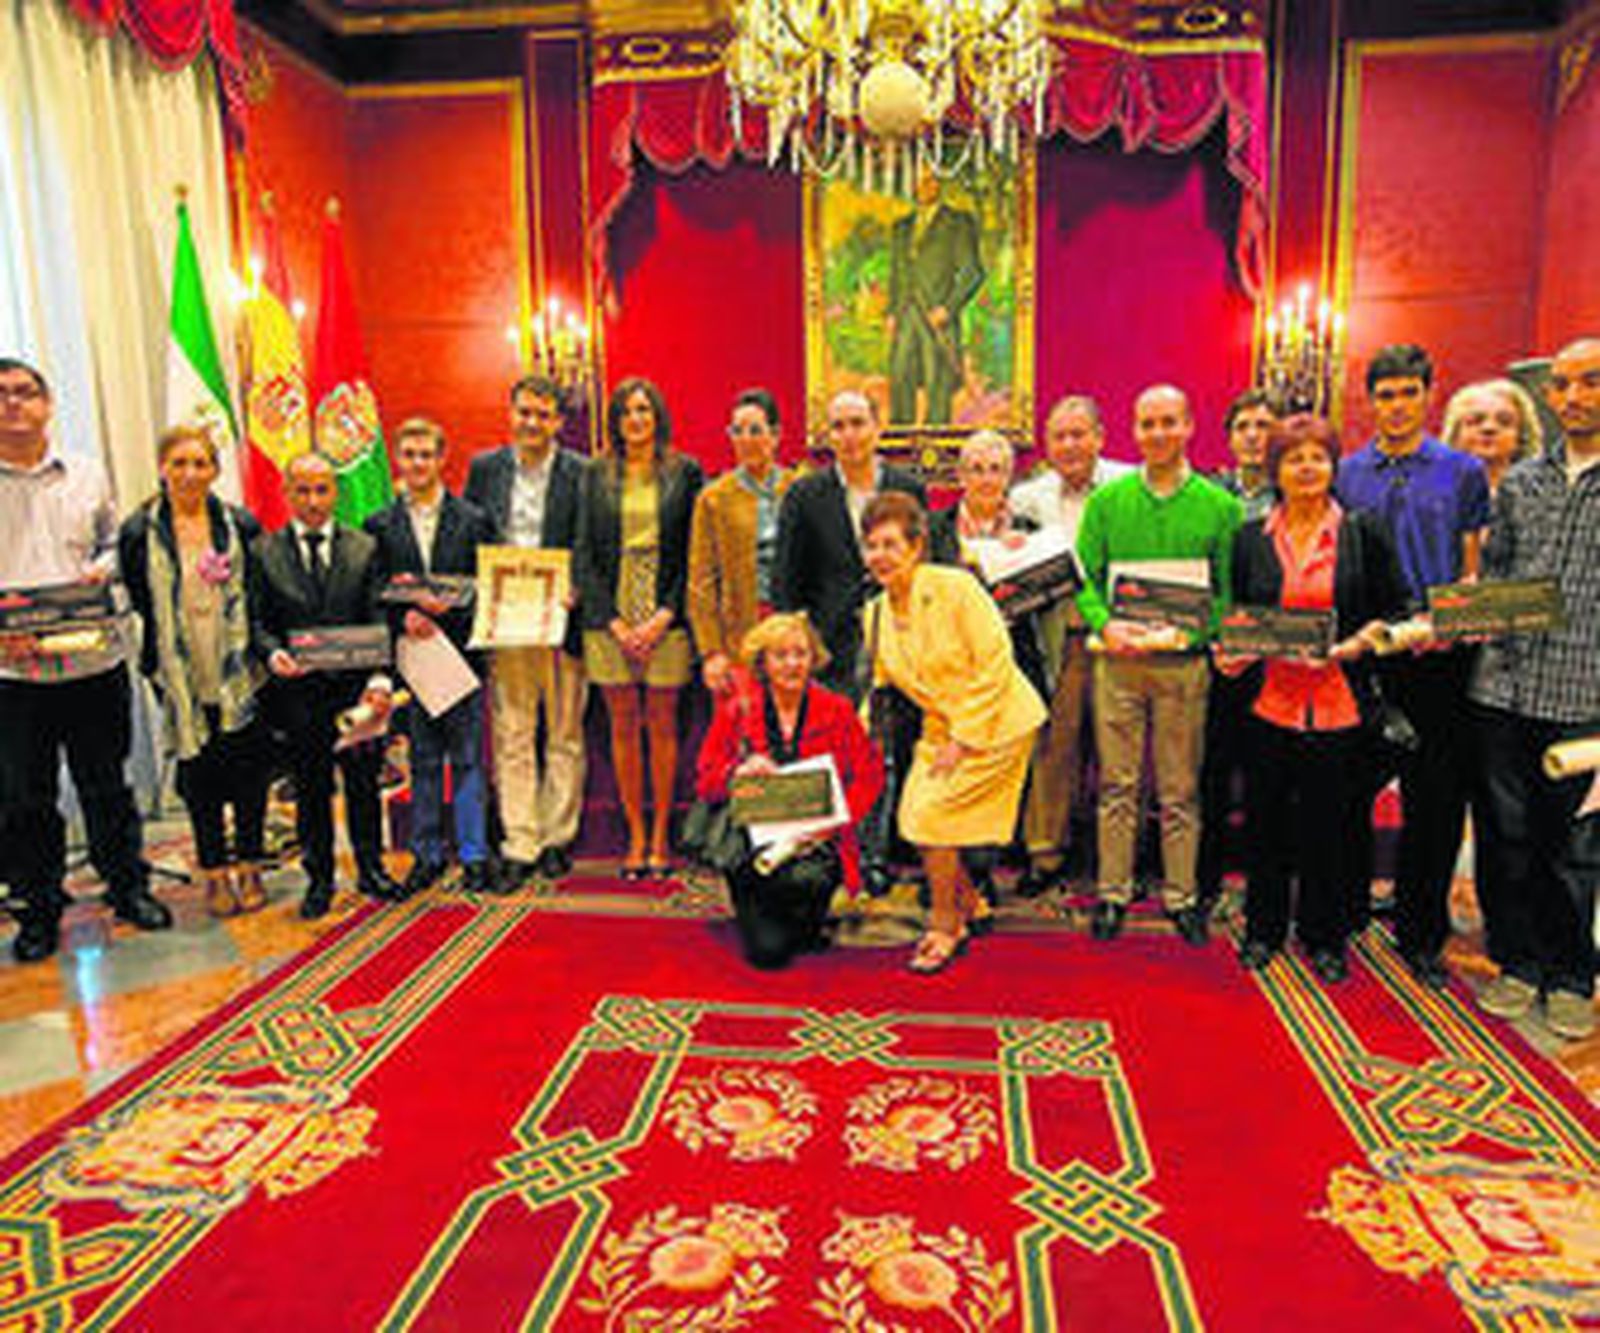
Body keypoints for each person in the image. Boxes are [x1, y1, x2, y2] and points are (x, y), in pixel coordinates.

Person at [1221, 416, 1407, 981]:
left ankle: (1325, 936)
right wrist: (1234, 648)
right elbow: (1238, 614)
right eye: (1293, 458)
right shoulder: (1248, 538)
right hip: (1269, 704)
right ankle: (1263, 929)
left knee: (1331, 827)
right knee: (1265, 824)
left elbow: (1395, 613)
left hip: (1338, 704)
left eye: (1317, 457)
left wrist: (1354, 646)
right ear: (1275, 469)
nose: (1306, 467)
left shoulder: (1362, 531)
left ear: (1333, 465)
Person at [0, 357, 172, 963]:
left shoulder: (87, 473)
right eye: (2, 396)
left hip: (93, 662)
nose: (13, 405)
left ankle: (127, 887)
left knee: (106, 784)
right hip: (14, 675)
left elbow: (113, 547)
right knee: (25, 798)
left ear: (47, 404)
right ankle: (39, 909)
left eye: (25, 393)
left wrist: (100, 571)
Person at [1334, 344, 1490, 988]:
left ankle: (1421, 932)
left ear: (1428, 395)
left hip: (1438, 656)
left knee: (1435, 800)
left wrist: (1444, 626)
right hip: (1364, 656)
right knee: (1344, 790)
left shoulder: (1462, 472)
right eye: (1385, 394)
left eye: (1408, 392)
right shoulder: (1345, 473)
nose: (1396, 405)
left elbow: (1473, 568)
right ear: (1371, 401)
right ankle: (1338, 915)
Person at [1076, 384, 1243, 945]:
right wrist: (1106, 625)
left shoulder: (1221, 507)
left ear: (1190, 425)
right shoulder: (1108, 502)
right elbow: (1087, 584)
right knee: (1117, 785)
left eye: (1168, 422)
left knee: (1179, 788)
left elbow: (1227, 591)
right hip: (1118, 663)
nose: (1157, 434)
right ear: (1135, 430)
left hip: (1183, 666)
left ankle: (1181, 896)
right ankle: (1112, 893)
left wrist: (1192, 630)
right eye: (1147, 424)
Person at [1468, 337, 1600, 1041]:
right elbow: (1495, 580)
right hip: (1505, 690)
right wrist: (1465, 611)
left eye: (1590, 382)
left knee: (1577, 843)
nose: (1574, 396)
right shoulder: (1522, 482)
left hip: (1588, 697)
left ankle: (1573, 972)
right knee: (1505, 835)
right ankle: (1516, 962)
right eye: (1562, 384)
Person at [862, 493, 1046, 972]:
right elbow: (881, 687)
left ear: (917, 546)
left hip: (997, 721)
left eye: (889, 544)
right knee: (916, 820)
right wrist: (853, 737)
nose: (879, 555)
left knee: (927, 816)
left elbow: (995, 663)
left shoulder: (955, 588)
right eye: (871, 546)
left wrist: (964, 737)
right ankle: (967, 901)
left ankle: (945, 926)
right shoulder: (875, 613)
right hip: (939, 728)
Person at [119, 424, 272, 919]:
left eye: (200, 463)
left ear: (215, 470)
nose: (189, 473)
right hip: (181, 677)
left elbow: (259, 596)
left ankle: (249, 865)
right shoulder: (139, 531)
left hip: (238, 670)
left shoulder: (240, 525)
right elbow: (141, 602)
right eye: (179, 463)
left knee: (249, 775)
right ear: (162, 468)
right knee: (200, 779)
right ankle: (214, 875)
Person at [251, 452, 404, 918]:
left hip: (356, 694)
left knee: (363, 785)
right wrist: (271, 651)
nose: (313, 501)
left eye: (322, 490)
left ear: (335, 492)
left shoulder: (365, 547)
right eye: (303, 490)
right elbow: (258, 622)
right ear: (287, 493)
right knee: (311, 790)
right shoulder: (263, 551)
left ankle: (371, 868)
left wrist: (380, 677)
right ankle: (319, 878)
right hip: (298, 696)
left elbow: (379, 615)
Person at [695, 613, 884, 969]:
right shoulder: (738, 710)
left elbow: (869, 776)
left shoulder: (838, 710)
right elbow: (705, 782)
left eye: (801, 654)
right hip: (753, 845)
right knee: (769, 955)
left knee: (805, 894)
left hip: (815, 840)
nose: (793, 664)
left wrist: (835, 823)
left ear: (814, 660)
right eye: (780, 655)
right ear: (763, 664)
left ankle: (802, 916)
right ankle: (760, 908)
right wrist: (738, 770)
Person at [575, 378, 702, 877]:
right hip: (610, 615)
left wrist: (664, 615)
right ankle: (634, 836)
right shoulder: (595, 473)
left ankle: (661, 839)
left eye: (644, 411)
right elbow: (583, 552)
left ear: (658, 417)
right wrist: (614, 621)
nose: (636, 420)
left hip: (666, 612)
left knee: (663, 724)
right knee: (623, 725)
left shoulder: (685, 471)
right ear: (615, 420)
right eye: (627, 412)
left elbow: (696, 552)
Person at [365, 418, 499, 895]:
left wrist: (454, 610)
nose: (418, 463)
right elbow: (373, 591)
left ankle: (474, 854)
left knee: (467, 760)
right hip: (412, 659)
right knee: (422, 760)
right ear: (399, 460)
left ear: (443, 459)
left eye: (427, 454)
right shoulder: (378, 524)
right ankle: (426, 855)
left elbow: (489, 586)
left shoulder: (474, 519)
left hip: (460, 657)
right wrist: (403, 618)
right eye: (410, 455)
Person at [464, 375, 589, 883]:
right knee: (513, 732)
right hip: (507, 622)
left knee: (564, 732)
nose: (532, 423)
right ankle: (522, 841)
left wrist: (576, 586)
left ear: (558, 421)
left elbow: (592, 541)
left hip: (562, 618)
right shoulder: (485, 468)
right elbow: (471, 533)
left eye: (543, 414)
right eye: (524, 413)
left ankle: (557, 836)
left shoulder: (581, 473)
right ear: (511, 414)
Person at [1009, 395, 1132, 895]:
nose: (1070, 445)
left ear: (1100, 437)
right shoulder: (1027, 498)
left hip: (1120, 638)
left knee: (1119, 753)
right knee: (1053, 749)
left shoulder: (1130, 485)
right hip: (1058, 638)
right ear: (1047, 445)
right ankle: (1046, 852)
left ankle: (1118, 857)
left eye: (1079, 434)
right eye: (1059, 436)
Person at [773, 389, 926, 698]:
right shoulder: (804, 495)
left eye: (857, 423)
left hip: (902, 642)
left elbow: (923, 567)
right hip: (830, 650)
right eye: (838, 427)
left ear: (877, 427)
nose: (849, 435)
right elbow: (785, 582)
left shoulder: (909, 489)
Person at [1197, 389, 1283, 906]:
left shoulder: (1297, 493)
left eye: (1264, 425)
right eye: (1244, 425)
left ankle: (1261, 883)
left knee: (1266, 775)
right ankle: (1205, 882)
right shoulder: (1209, 493)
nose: (1254, 434)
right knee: (1212, 769)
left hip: (1276, 657)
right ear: (1230, 437)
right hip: (1217, 653)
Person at [687, 388, 796, 696]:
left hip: (791, 623)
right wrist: (711, 651)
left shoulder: (799, 488)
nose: (746, 439)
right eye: (737, 431)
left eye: (755, 430)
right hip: (739, 627)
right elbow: (701, 580)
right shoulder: (714, 497)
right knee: (743, 724)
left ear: (775, 435)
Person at [887, 169, 984, 426]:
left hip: (937, 316)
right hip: (907, 313)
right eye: (919, 179)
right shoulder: (901, 227)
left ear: (939, 183)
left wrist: (948, 309)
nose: (924, 185)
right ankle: (900, 445)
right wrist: (892, 311)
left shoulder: (958, 223)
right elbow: (896, 273)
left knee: (937, 380)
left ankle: (938, 446)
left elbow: (973, 273)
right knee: (900, 376)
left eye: (930, 179)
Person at [1441, 378, 1544, 496]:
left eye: (1504, 422)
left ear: (1521, 437)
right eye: (1475, 421)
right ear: (1455, 436)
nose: (1489, 428)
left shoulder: (1543, 495)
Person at [1213, 389, 1278, 521]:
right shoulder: (1212, 494)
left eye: (1263, 426)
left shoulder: (1293, 496)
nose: (1252, 436)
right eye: (1241, 427)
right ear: (1230, 441)